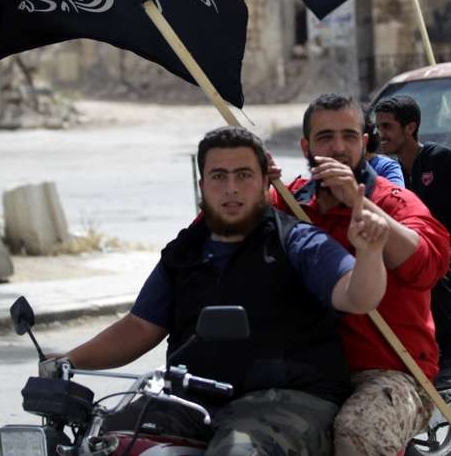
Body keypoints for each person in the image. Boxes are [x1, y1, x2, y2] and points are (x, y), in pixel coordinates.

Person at [42, 126, 389, 456]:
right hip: (193, 399)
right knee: (107, 443)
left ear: (266, 181)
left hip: (286, 399)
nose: (231, 188)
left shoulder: (296, 241)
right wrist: (68, 361)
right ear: (202, 185)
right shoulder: (184, 251)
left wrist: (370, 253)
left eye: (244, 175)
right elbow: (139, 327)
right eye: (219, 176)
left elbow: (357, 295)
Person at [270, 93, 450, 456]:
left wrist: (359, 204)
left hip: (393, 375)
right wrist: (247, 182)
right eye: (325, 137)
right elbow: (215, 233)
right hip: (304, 372)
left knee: (359, 434)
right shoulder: (287, 203)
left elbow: (429, 264)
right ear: (306, 146)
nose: (337, 148)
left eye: (349, 136)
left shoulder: (395, 202)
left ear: (365, 143)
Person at [375, 95, 451, 371]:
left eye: (387, 127)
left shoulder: (440, 159)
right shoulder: (391, 172)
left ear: (410, 128)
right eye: (378, 127)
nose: (381, 135)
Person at [363, 108, 405, 185]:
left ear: (364, 139)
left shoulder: (386, 168)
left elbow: (396, 195)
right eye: (332, 136)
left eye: (349, 136)